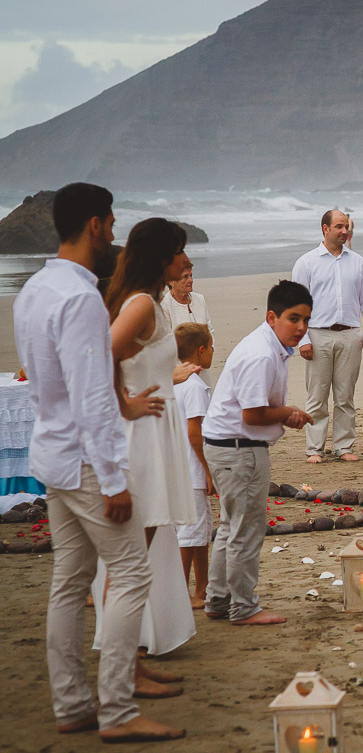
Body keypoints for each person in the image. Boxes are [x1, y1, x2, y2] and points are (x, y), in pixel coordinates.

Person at [14, 182, 183, 742]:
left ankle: (72, 704)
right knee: (131, 572)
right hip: (87, 461)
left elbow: (48, 384)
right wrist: (113, 479)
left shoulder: (34, 290)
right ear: (94, 225)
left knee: (69, 582)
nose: (114, 231)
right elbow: (90, 393)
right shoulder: (82, 298)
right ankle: (116, 709)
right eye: (110, 222)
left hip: (52, 453)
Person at [98, 217, 198, 679]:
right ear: (161, 257)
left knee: (137, 557)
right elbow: (97, 356)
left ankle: (133, 656)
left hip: (156, 433)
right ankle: (125, 670)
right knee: (130, 561)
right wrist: (125, 404)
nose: (186, 259)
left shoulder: (143, 302)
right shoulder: (141, 305)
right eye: (179, 251)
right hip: (143, 439)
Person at [203, 280, 313, 626]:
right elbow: (252, 414)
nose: (301, 328)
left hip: (231, 445)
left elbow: (257, 409)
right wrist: (287, 411)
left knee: (230, 526)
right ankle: (243, 607)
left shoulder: (269, 346)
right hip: (238, 449)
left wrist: (284, 415)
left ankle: (218, 600)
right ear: (271, 317)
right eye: (293, 319)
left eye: (306, 320)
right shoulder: (261, 353)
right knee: (246, 530)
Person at [291, 209, 363, 463]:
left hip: (350, 334)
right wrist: (303, 339)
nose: (344, 231)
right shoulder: (306, 262)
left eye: (347, 227)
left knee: (345, 395)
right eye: (339, 226)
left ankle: (343, 446)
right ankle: (314, 448)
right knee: (317, 395)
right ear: (325, 229)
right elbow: (297, 306)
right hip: (318, 334)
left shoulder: (357, 261)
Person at [171, 323, 215, 609]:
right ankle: (179, 591)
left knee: (200, 530)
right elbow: (194, 434)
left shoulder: (173, 385)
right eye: (211, 347)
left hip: (177, 468)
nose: (213, 352)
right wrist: (209, 469)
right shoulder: (194, 386)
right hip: (192, 470)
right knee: (189, 533)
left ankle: (203, 586)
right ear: (201, 351)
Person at [160, 261, 214, 337]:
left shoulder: (199, 299)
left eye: (191, 276)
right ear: (171, 281)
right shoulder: (164, 305)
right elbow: (166, 340)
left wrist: (211, 348)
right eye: (185, 277)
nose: (191, 280)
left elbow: (209, 330)